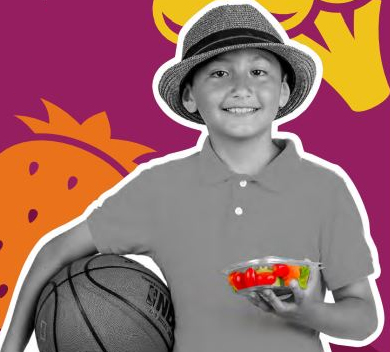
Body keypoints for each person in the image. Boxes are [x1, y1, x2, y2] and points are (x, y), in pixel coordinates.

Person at [0, 2, 380, 352]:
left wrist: (306, 312)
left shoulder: (325, 189)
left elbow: (364, 319)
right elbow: (56, 251)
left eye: (259, 70)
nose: (241, 86)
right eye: (219, 72)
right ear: (189, 97)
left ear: (283, 91)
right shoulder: (158, 189)